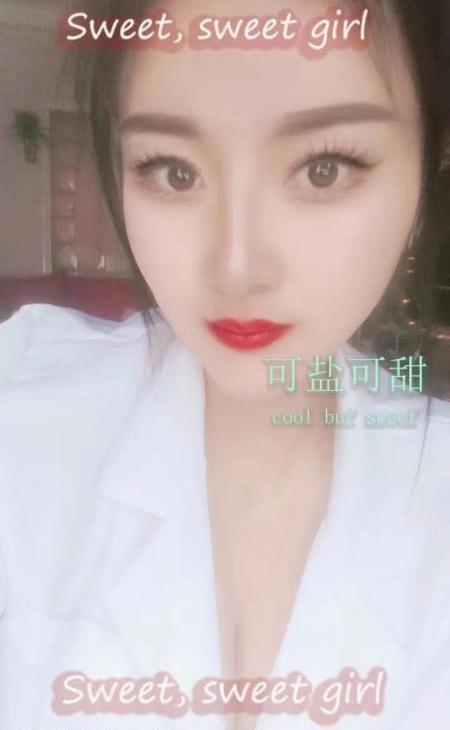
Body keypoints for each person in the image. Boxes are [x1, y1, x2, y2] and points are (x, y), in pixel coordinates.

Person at [0, 1, 449, 729]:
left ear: (425, 173)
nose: (236, 267)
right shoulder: (21, 411)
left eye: (324, 168)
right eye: (173, 172)